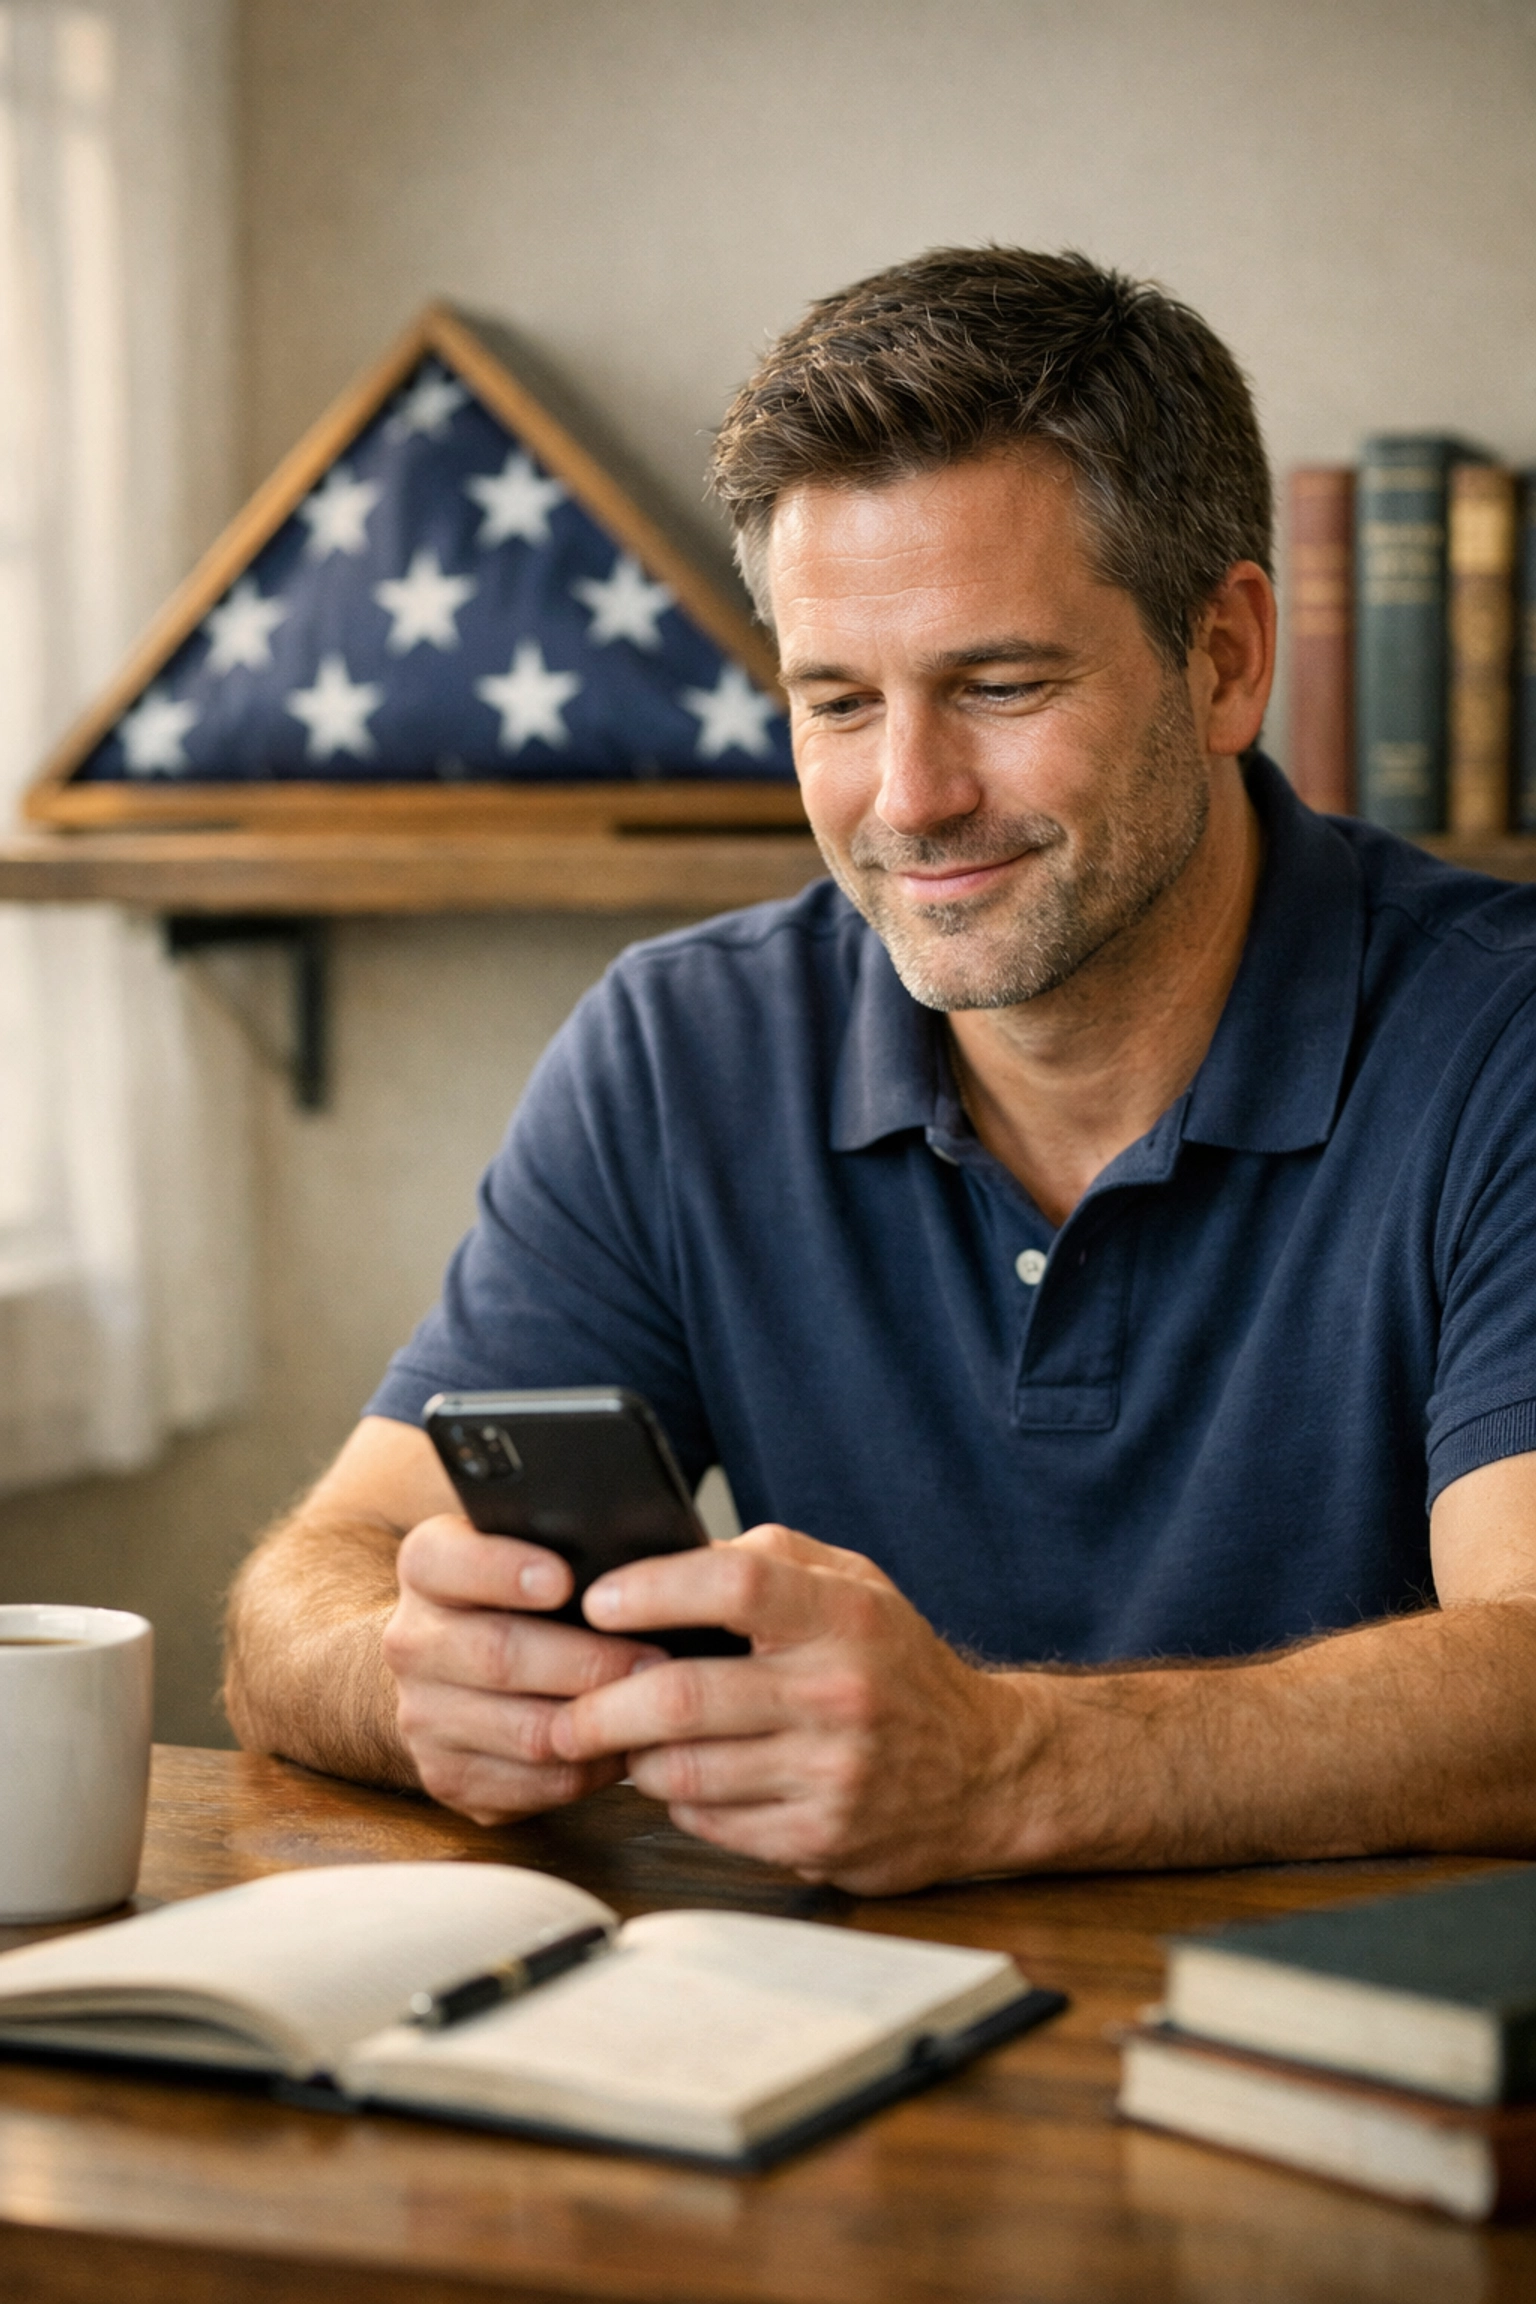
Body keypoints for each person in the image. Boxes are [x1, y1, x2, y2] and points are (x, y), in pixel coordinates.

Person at [224, 248, 1536, 1895]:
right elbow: (309, 1589)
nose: (908, 798)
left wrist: (1006, 1769)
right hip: (801, 2055)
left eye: (999, 686)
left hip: (1362, 2078)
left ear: (1225, 658)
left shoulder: (1506, 1041)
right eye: (836, 702)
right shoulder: (678, 1049)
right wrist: (419, 1680)